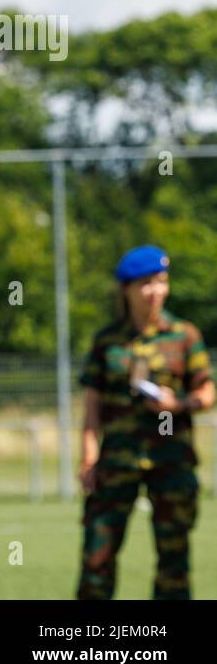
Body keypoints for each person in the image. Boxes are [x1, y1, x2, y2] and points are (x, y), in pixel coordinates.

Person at [77, 245, 213, 599]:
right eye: (147, 284)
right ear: (127, 289)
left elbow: (207, 391)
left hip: (171, 460)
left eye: (162, 281)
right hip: (117, 461)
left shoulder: (184, 336)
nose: (157, 291)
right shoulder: (108, 341)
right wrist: (89, 458)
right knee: (97, 557)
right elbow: (92, 406)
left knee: (174, 560)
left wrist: (178, 403)